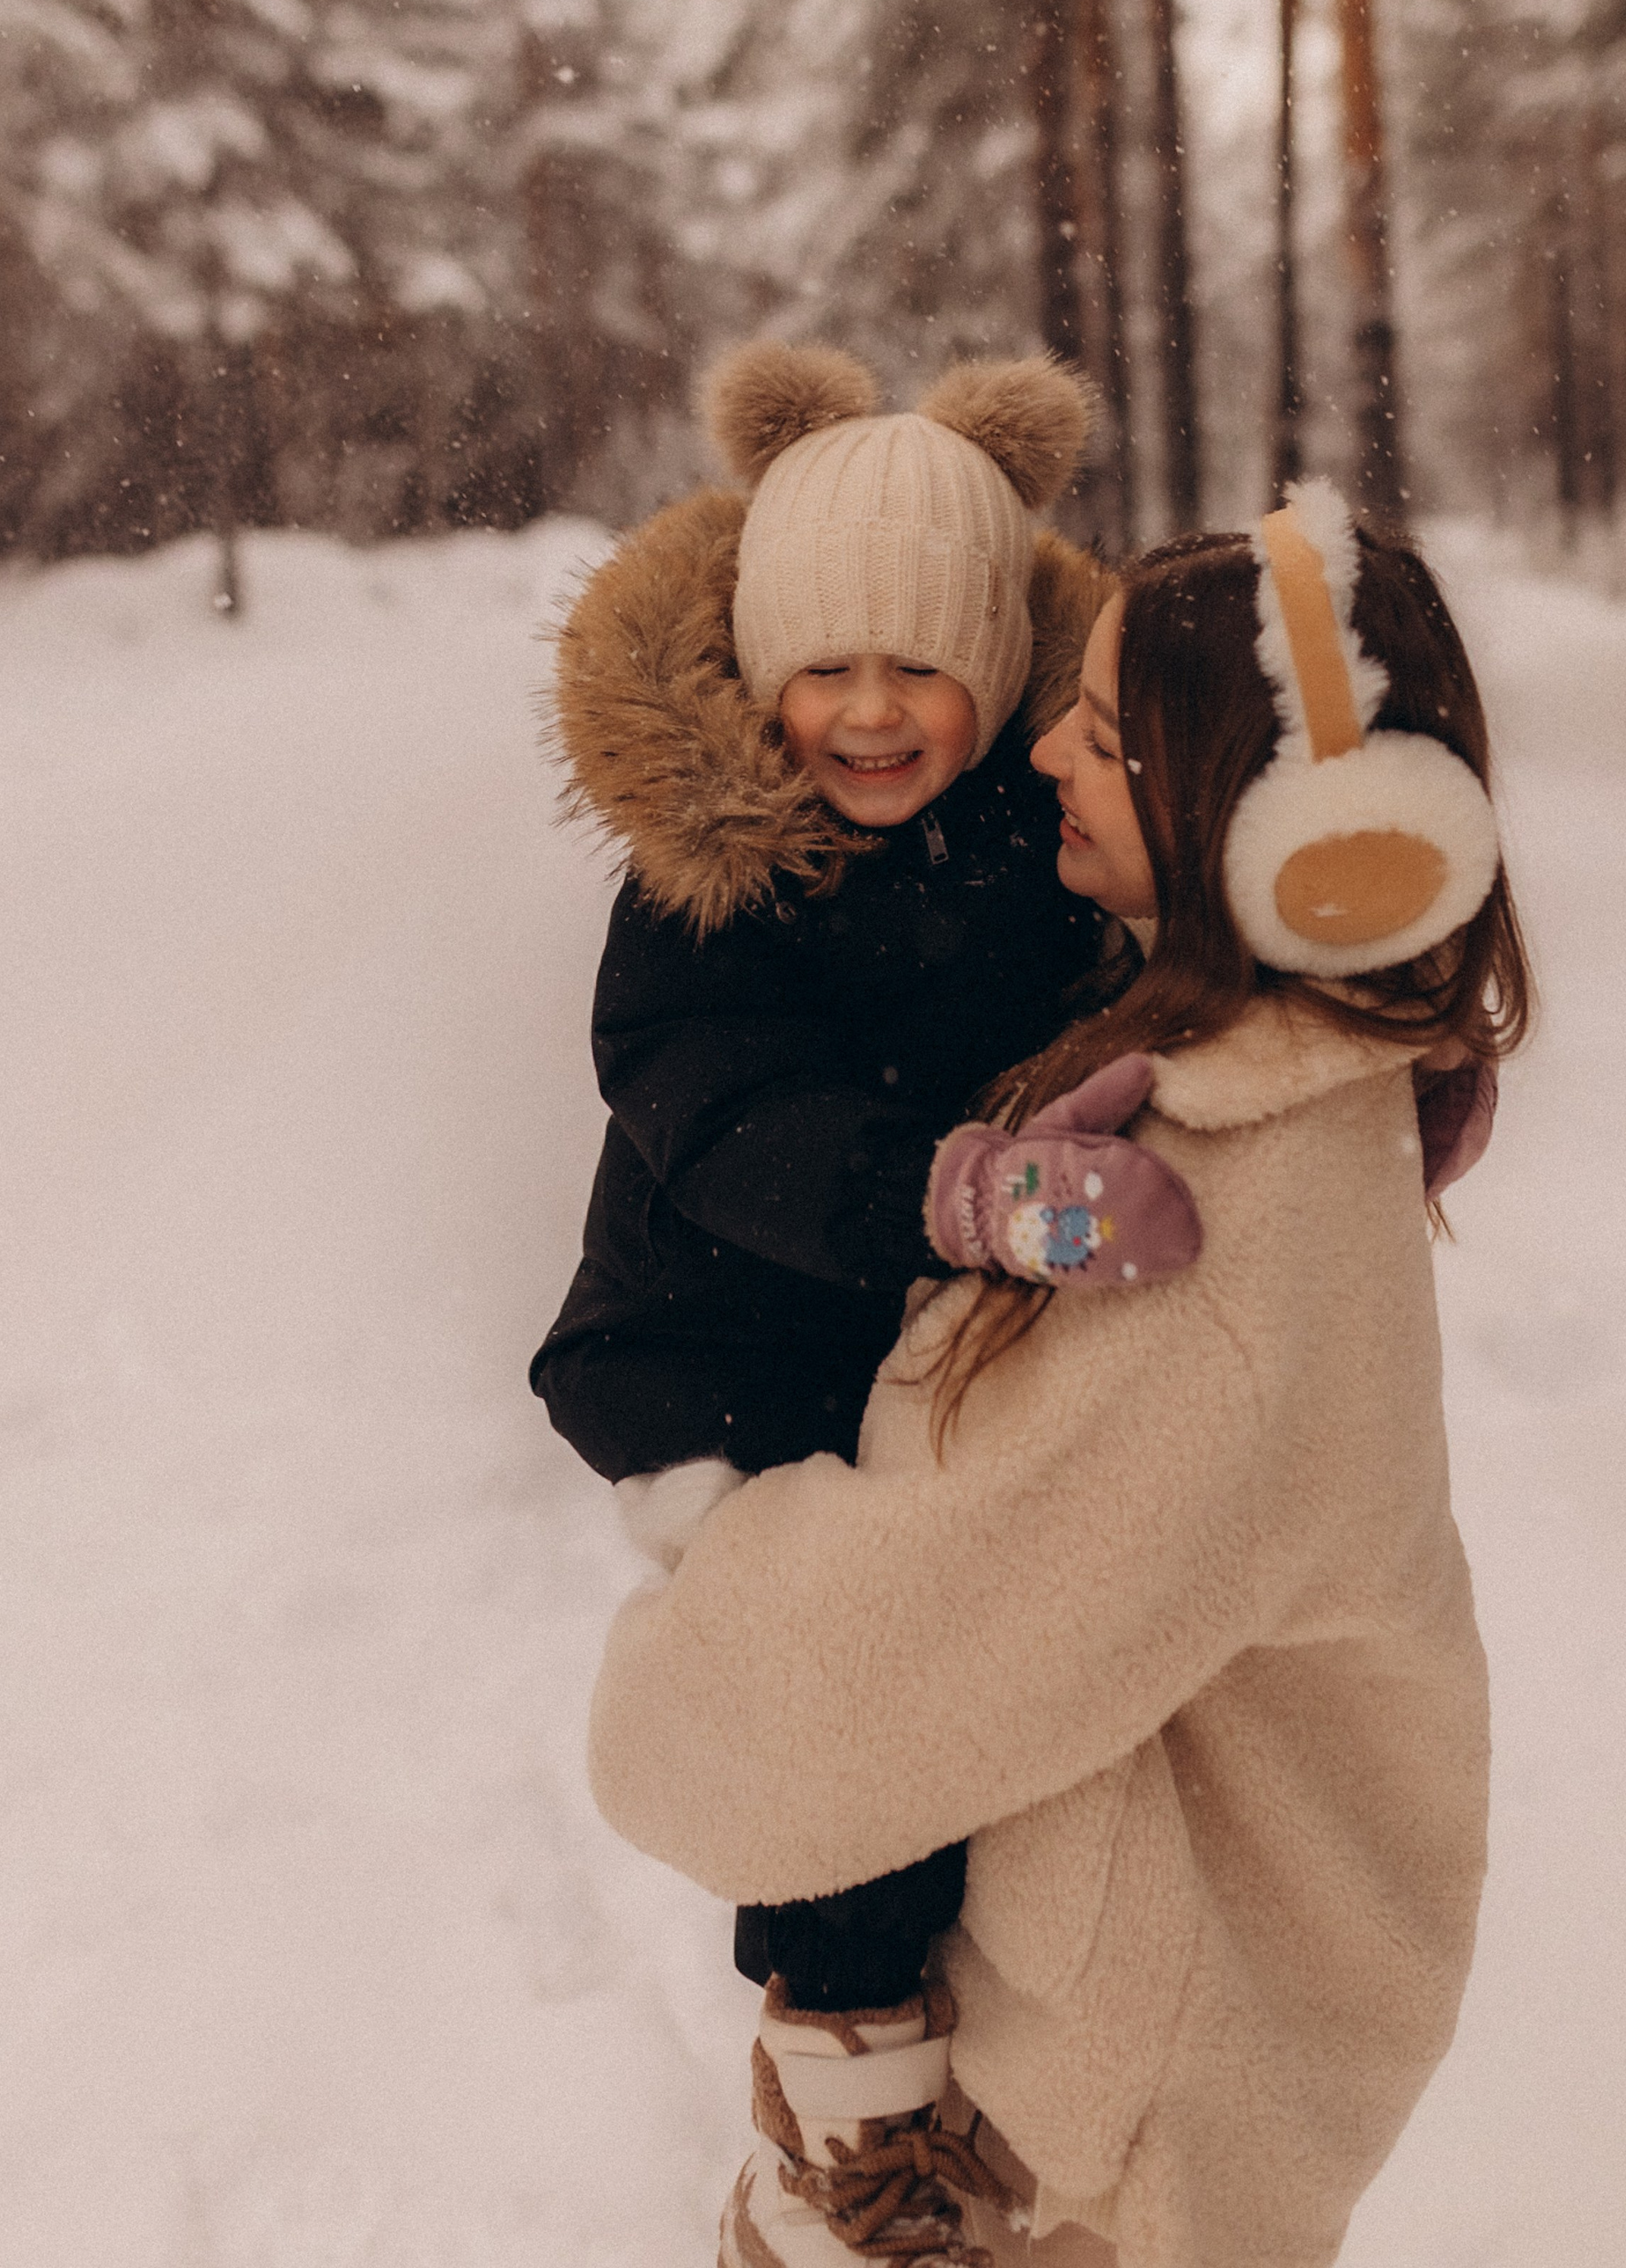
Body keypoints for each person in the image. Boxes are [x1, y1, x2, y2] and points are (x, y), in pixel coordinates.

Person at [584, 481, 1528, 2268]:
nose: (1044, 772)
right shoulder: (1224, 1070)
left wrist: (692, 1640)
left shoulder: (1215, 1230)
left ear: (1252, 821)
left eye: (1093, 738)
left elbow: (858, 1686)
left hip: (1114, 2138)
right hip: (1102, 2049)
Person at [530, 342, 1204, 2046]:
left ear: (991, 668)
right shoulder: (714, 882)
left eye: (920, 664)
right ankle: (840, 2110)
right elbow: (725, 1109)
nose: (870, 709)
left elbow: (1148, 980)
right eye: (822, 664)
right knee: (847, 1744)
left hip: (900, 1348)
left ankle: (974, 2048)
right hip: (722, 1364)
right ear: (763, 665)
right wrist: (968, 1198)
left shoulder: (1027, 834)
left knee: (988, 1730)